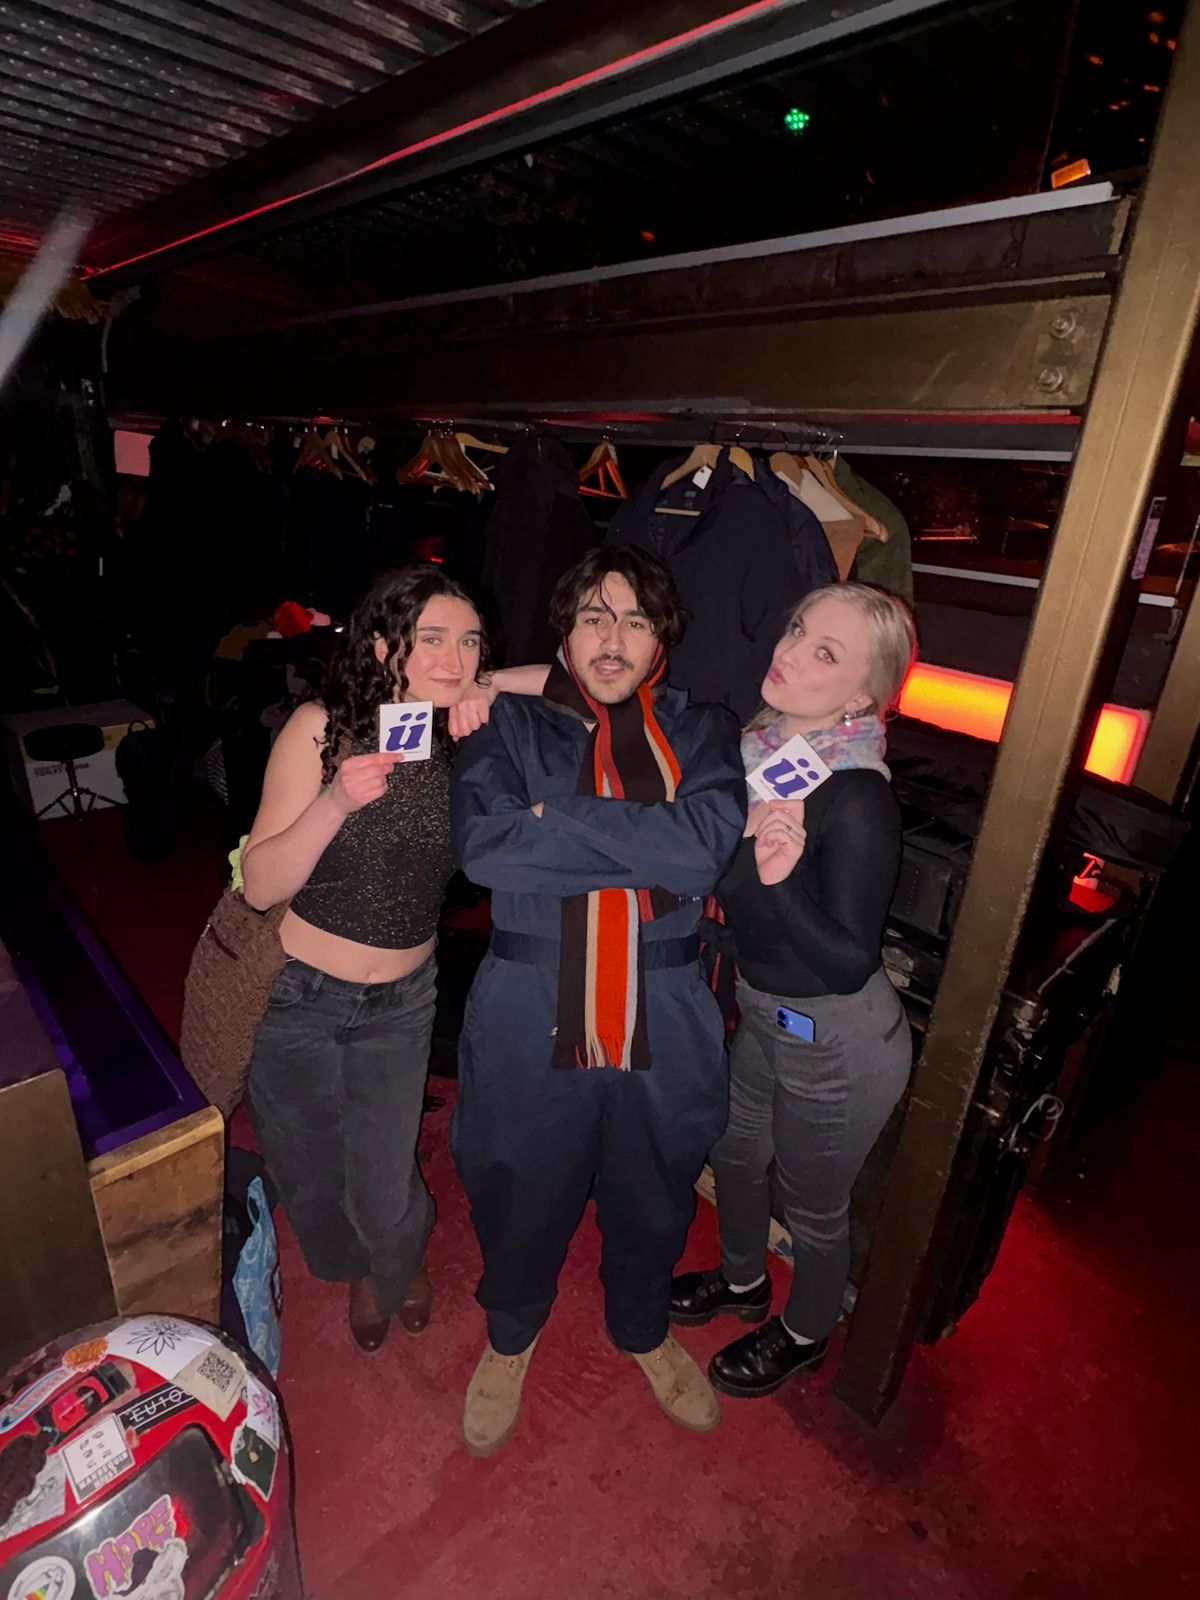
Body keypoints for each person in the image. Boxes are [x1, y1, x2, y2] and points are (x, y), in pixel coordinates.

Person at [449, 546, 746, 1457]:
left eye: (635, 620)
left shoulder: (704, 730)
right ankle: (511, 1333)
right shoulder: (508, 724)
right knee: (515, 1177)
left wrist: (558, 817)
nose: (612, 639)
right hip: (528, 990)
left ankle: (642, 1325)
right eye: (592, 618)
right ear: (565, 636)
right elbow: (488, 850)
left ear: (662, 641)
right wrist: (649, 843)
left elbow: (703, 853)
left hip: (669, 997)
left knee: (656, 1184)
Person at [670, 582, 917, 1397]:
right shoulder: (759, 754)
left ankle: (807, 1332)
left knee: (813, 1204)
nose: (790, 652)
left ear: (861, 696)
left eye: (825, 653)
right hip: (763, 1011)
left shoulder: (857, 796)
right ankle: (743, 1282)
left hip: (838, 1037)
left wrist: (778, 887)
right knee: (735, 1156)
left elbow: (847, 962)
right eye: (798, 628)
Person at [240, 564, 489, 1354]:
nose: (455, 657)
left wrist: (489, 688)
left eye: (471, 642)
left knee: (384, 1181)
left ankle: (396, 1257)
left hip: (402, 1000)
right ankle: (355, 1268)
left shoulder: (465, 739)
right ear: (382, 646)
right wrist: (337, 801)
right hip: (297, 997)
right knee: (309, 1170)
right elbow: (258, 886)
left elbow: (574, 682)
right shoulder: (322, 728)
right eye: (432, 638)